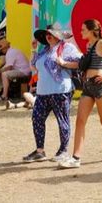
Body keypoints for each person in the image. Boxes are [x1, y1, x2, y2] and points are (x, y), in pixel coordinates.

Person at [58, 19, 102, 169]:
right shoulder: (89, 45)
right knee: (80, 120)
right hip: (88, 86)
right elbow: (83, 64)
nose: (81, 32)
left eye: (83, 30)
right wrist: (63, 64)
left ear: (91, 30)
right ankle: (76, 158)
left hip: (101, 86)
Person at [22, 27, 81, 163]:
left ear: (58, 35)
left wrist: (64, 63)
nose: (48, 36)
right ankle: (40, 151)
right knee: (37, 118)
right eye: (46, 34)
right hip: (43, 92)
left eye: (51, 34)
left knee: (62, 121)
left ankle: (63, 151)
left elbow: (80, 62)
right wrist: (34, 50)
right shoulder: (45, 50)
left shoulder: (67, 47)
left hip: (60, 91)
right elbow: (34, 68)